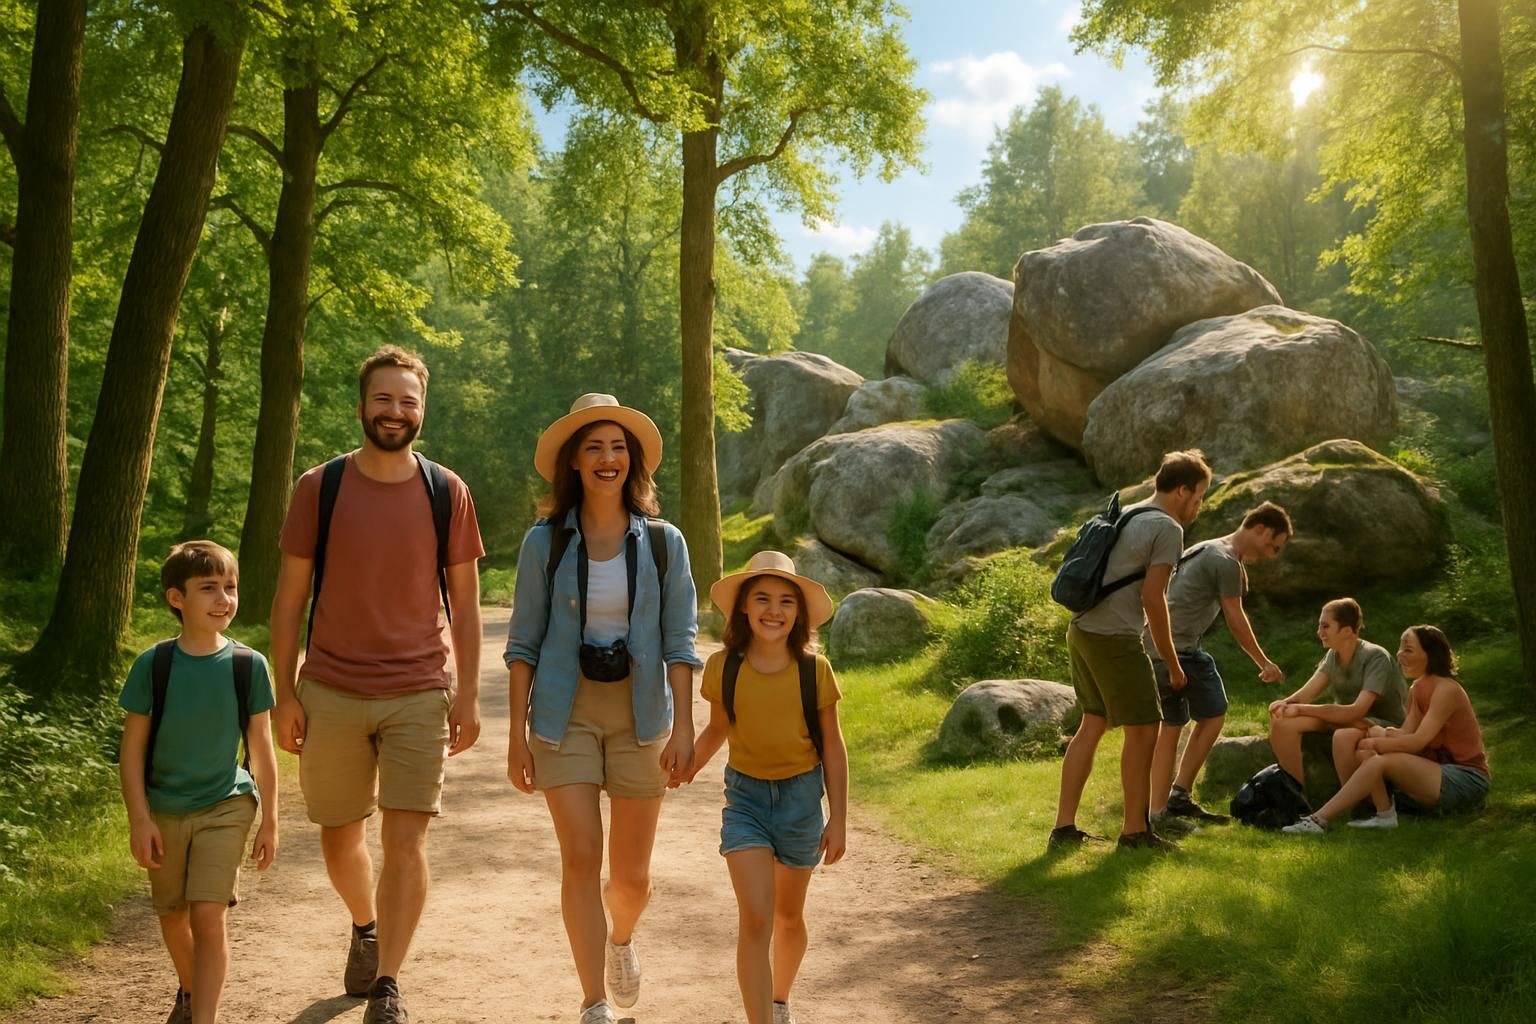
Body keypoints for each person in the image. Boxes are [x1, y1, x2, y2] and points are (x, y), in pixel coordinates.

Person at [271, 346, 484, 1024]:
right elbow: (289, 597)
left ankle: (388, 980)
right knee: (339, 836)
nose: (396, 411)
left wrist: (470, 695)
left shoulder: (445, 491)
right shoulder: (320, 487)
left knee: (406, 841)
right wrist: (284, 691)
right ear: (362, 406)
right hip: (330, 686)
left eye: (408, 401)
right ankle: (365, 925)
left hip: (420, 688)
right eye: (384, 399)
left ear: (423, 410)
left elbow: (468, 604)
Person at [504, 393, 701, 1024]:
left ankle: (622, 939)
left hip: (642, 716)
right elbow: (522, 643)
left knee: (630, 880)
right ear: (574, 462)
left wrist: (685, 725)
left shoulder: (667, 544)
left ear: (633, 460)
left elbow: (680, 640)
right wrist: (515, 736)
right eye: (594, 447)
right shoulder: (544, 543)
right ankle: (593, 1003)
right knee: (581, 858)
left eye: (618, 447)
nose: (607, 457)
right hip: (565, 716)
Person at [118, 541, 279, 1024]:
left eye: (229, 588)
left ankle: (203, 1016)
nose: (223, 599)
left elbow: (263, 749)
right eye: (208, 588)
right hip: (163, 808)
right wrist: (140, 819)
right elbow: (132, 751)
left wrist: (271, 819)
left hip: (225, 804)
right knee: (172, 915)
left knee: (209, 915)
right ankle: (191, 991)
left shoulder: (248, 665)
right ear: (176, 598)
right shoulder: (155, 664)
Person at [687, 551, 849, 1024]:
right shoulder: (724, 665)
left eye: (785, 602)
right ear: (743, 607)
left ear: (798, 613)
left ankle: (779, 1001)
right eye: (762, 599)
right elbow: (718, 729)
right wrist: (686, 765)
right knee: (756, 917)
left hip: (801, 801)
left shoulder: (814, 670)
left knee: (788, 919)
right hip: (746, 801)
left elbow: (834, 748)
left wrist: (838, 819)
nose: (773, 611)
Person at [1050, 449, 1212, 852]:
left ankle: (1064, 829)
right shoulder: (1167, 529)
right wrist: (1173, 664)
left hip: (1082, 629)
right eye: (1198, 497)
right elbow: (1154, 599)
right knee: (1145, 731)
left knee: (1092, 723)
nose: (1198, 505)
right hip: (1114, 638)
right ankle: (1135, 832)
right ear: (1181, 490)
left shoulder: (1128, 512)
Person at [1147, 502, 1292, 832]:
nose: (1272, 554)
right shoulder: (1224, 560)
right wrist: (1264, 663)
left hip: (1155, 646)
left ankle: (1160, 809)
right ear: (1260, 529)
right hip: (1179, 649)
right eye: (1273, 545)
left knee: (1171, 727)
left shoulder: (1208, 548)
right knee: (1212, 714)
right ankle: (1172, 801)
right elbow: (1236, 619)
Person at [1284, 624, 1490, 833]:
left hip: (1466, 779)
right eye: (1400, 648)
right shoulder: (1418, 688)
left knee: (1380, 760)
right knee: (1366, 751)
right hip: (1435, 773)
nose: (1400, 654)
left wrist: (1377, 741)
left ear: (1430, 655)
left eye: (1408, 649)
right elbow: (1405, 733)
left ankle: (1318, 820)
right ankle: (1384, 814)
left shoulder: (1446, 689)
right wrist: (1377, 732)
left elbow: (1417, 741)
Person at [1268, 597, 1407, 790]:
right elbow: (1306, 693)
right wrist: (1284, 704)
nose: (1319, 632)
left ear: (1347, 631)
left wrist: (1300, 708)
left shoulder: (1376, 657)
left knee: (1345, 733)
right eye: (1320, 626)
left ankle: (1357, 803)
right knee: (1282, 722)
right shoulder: (1333, 655)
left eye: (1326, 626)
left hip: (1379, 724)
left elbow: (1357, 711)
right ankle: (1295, 795)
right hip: (1343, 719)